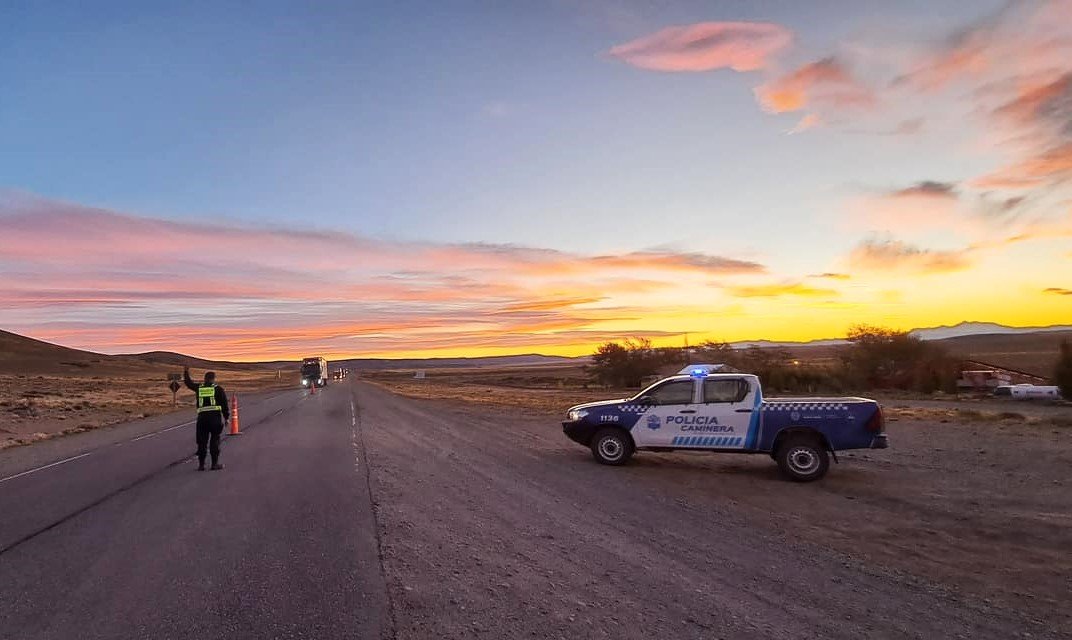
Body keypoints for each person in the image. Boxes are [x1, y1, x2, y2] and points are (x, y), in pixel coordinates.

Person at [183, 365, 229, 471]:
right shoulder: (218, 389)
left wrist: (186, 372)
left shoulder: (199, 388)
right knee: (215, 441)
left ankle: (201, 465)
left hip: (202, 419)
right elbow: (224, 405)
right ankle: (214, 464)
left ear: (205, 378)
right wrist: (226, 417)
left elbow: (188, 383)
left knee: (202, 442)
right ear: (214, 379)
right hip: (215, 419)